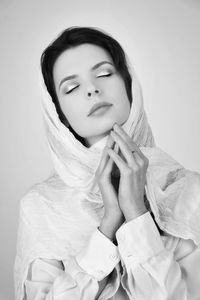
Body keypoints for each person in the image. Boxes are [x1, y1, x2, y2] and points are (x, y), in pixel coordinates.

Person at [14, 26, 200, 300]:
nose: (92, 89)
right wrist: (108, 224)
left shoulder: (190, 191)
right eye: (72, 87)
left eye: (104, 74)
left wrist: (136, 212)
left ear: (128, 84)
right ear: (60, 115)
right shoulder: (41, 207)